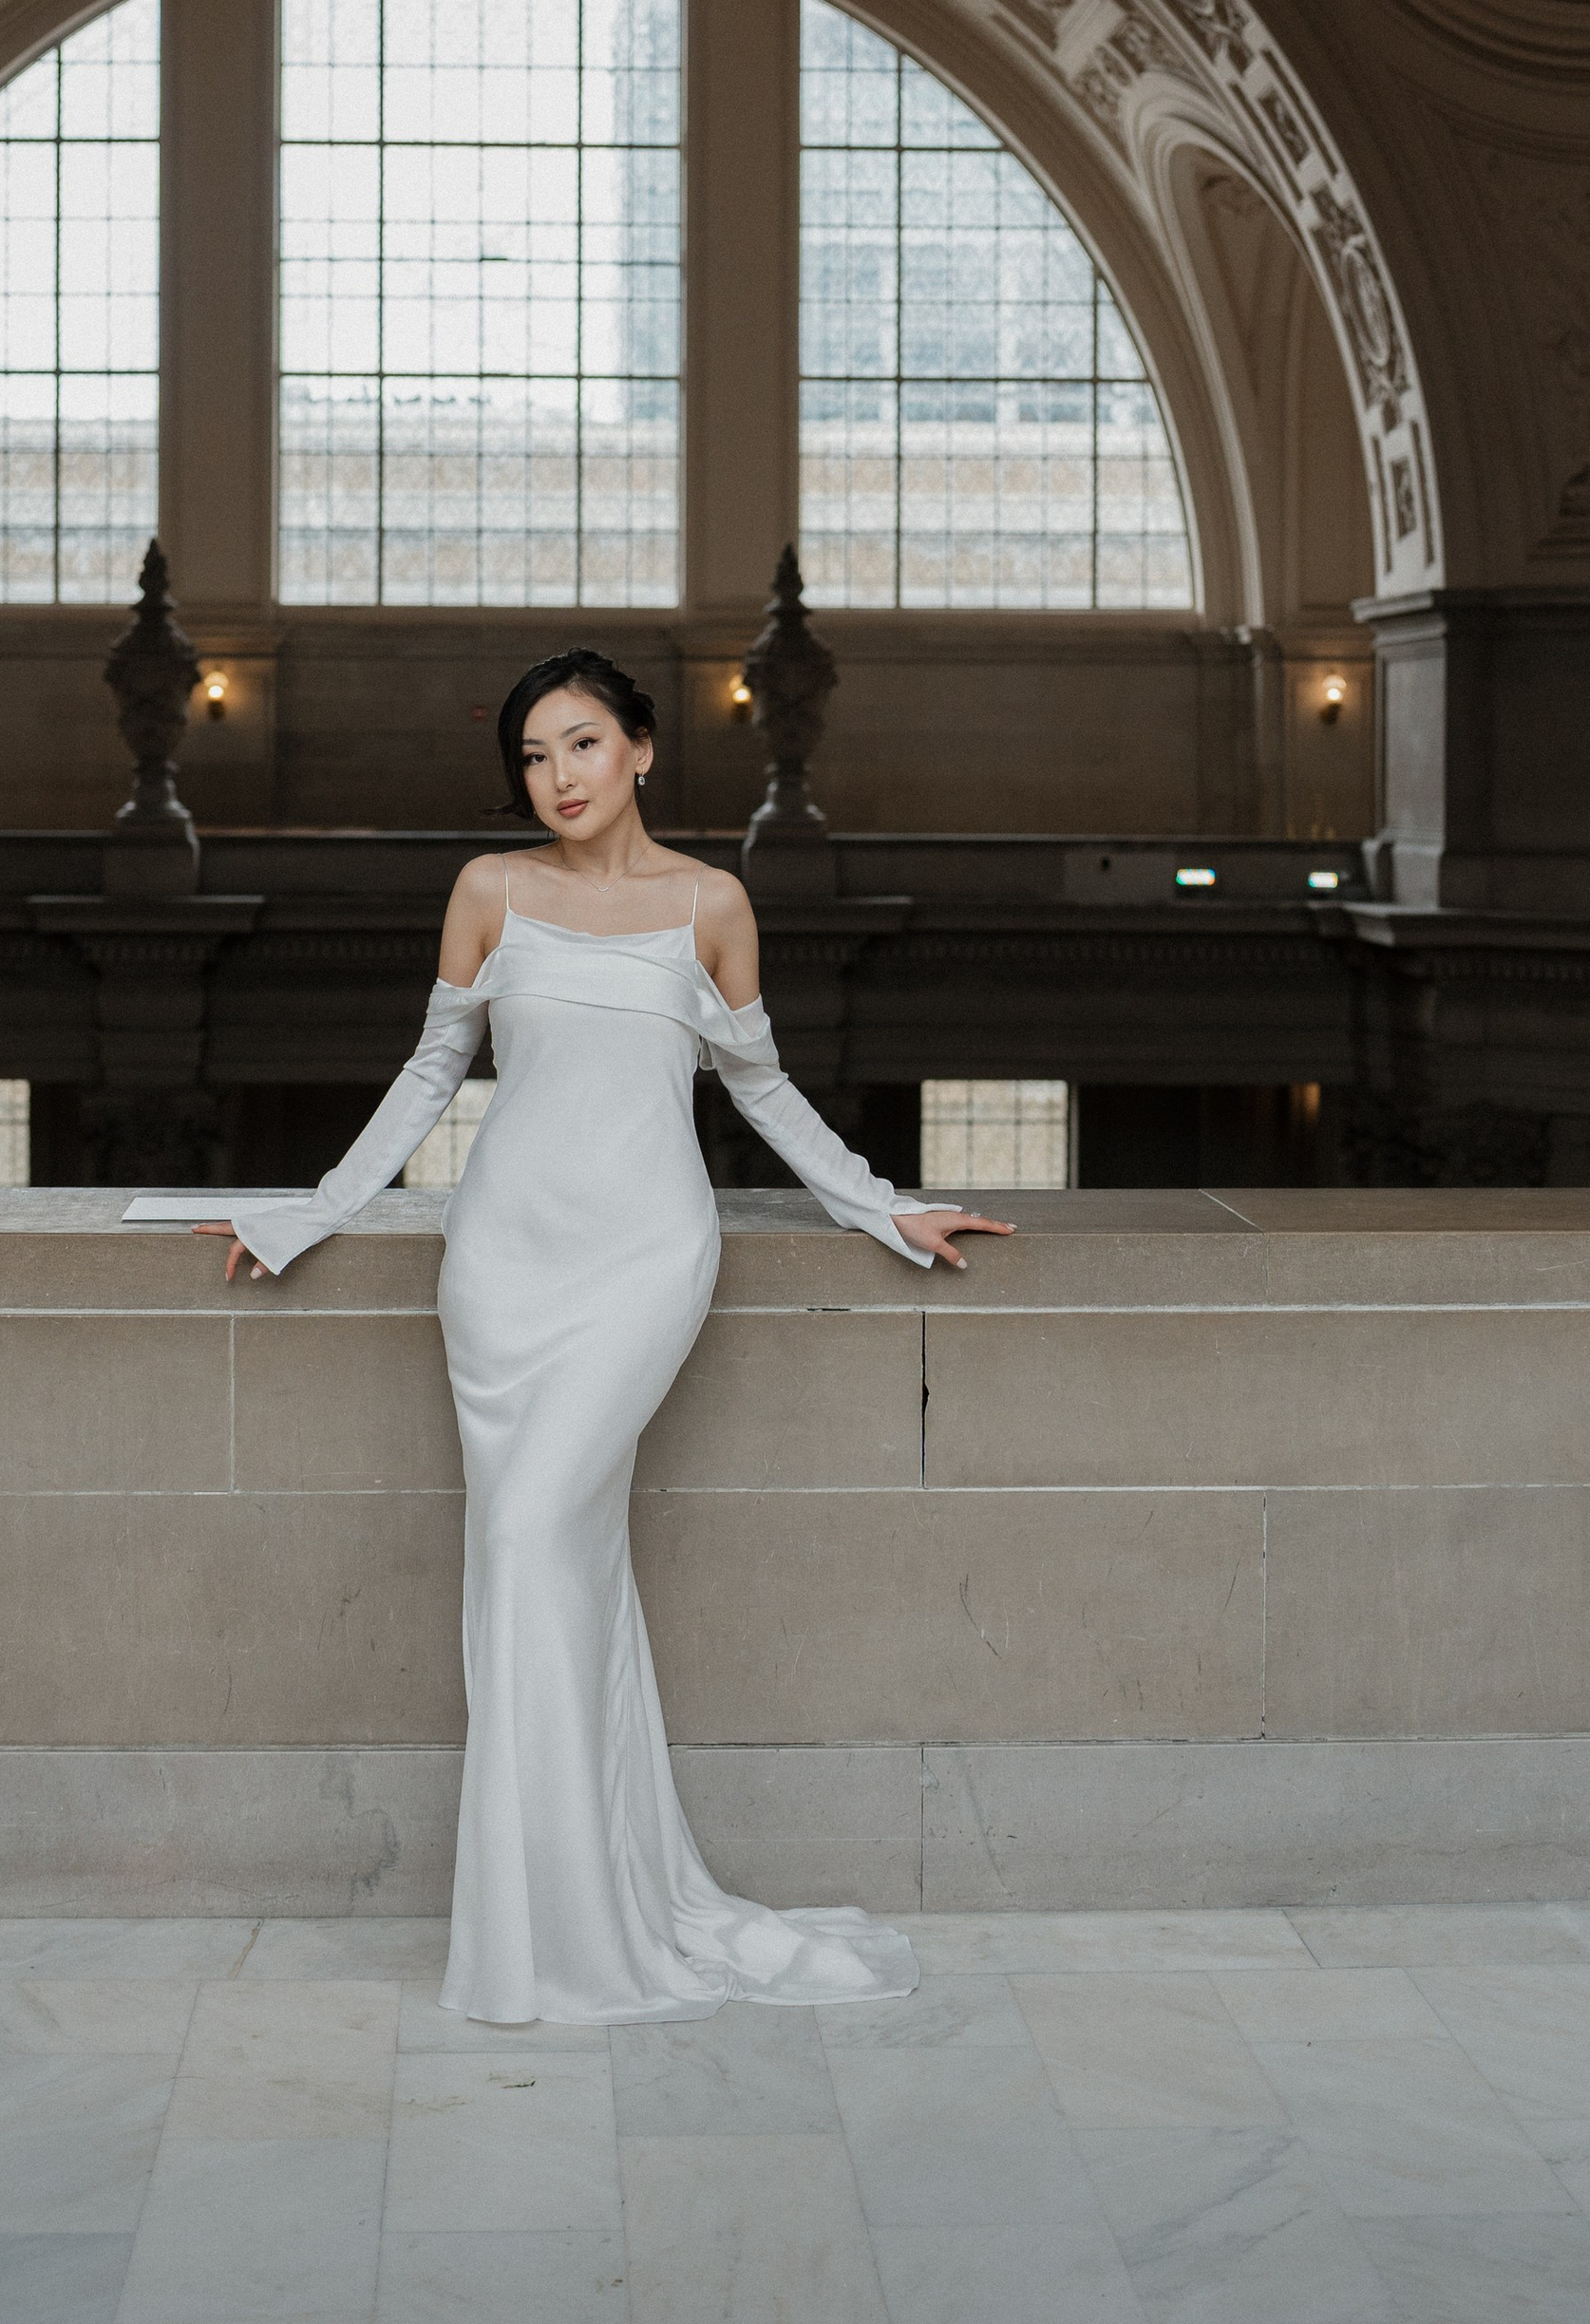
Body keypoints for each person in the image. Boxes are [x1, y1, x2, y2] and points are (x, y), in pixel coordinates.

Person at [194, 648, 1014, 2028]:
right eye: (532, 755)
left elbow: (765, 1089)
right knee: (543, 1566)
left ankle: (571, 1922)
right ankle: (565, 1909)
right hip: (503, 1267)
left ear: (641, 746)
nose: (557, 777)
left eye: (581, 744)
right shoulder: (489, 894)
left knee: (527, 1545)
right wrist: (312, 1211)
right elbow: (429, 1072)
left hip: (642, 1261)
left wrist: (882, 1207)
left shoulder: (711, 904)